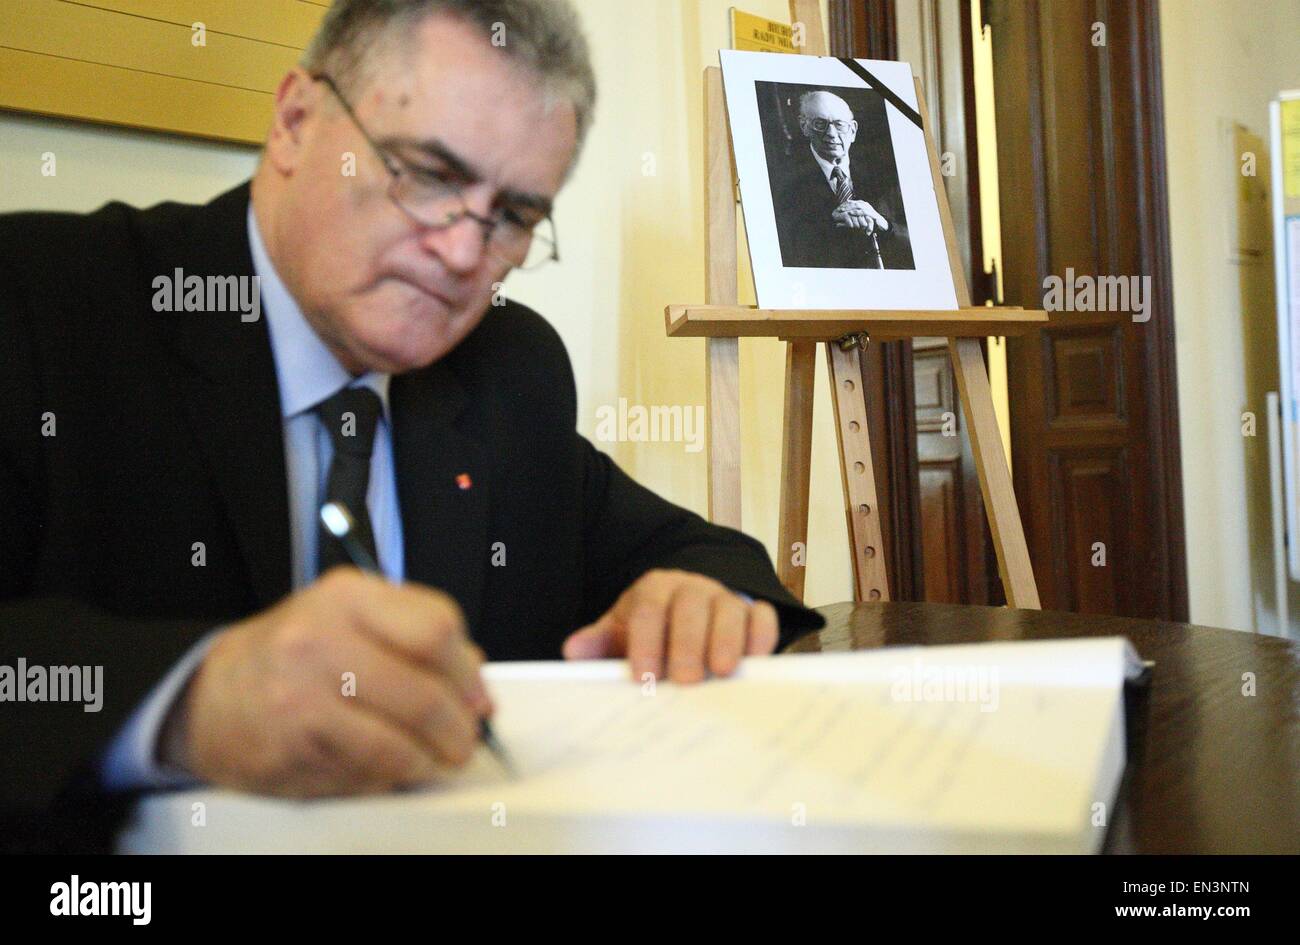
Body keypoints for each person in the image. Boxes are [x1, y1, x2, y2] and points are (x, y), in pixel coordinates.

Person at [0, 0, 822, 852]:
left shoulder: (510, 370)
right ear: (294, 121)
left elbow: (698, 554)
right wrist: (185, 701)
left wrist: (703, 600)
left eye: (511, 216)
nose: (466, 255)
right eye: (428, 174)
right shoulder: (42, 306)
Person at [773, 90, 914, 270]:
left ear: (853, 130)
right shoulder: (783, 181)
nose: (831, 133)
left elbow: (920, 247)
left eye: (839, 125)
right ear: (804, 127)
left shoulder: (884, 178)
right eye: (820, 124)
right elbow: (784, 250)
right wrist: (831, 222)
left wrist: (884, 224)